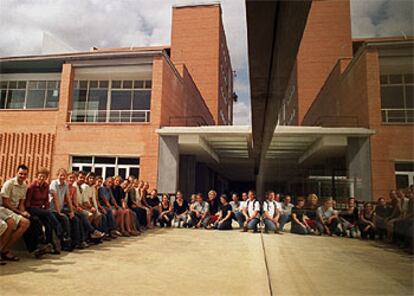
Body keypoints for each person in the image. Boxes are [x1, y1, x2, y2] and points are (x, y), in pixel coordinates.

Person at [0, 165, 31, 261]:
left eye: (25, 174)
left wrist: (23, 212)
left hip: (13, 210)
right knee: (11, 223)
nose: (22, 176)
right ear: (16, 173)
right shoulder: (9, 184)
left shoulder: (24, 186)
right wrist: (20, 213)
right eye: (20, 173)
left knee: (26, 223)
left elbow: (21, 203)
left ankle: (4, 249)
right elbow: (5, 203)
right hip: (3, 208)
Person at [49, 168, 80, 250]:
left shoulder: (65, 185)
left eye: (64, 176)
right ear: (57, 175)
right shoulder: (54, 183)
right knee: (65, 219)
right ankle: (66, 243)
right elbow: (55, 198)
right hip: (52, 209)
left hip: (60, 208)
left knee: (74, 218)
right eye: (61, 175)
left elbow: (68, 199)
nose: (62, 177)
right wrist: (59, 212)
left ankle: (76, 242)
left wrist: (72, 211)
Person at [75, 171, 105, 243]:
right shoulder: (83, 186)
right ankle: (87, 236)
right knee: (91, 215)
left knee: (99, 215)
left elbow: (93, 200)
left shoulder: (91, 187)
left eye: (93, 178)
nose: (91, 180)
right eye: (90, 178)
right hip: (79, 207)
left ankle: (92, 235)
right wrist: (90, 207)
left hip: (83, 206)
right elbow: (84, 202)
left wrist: (96, 208)